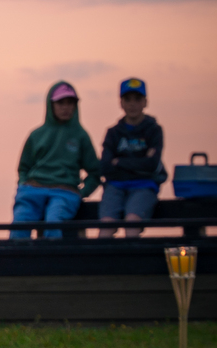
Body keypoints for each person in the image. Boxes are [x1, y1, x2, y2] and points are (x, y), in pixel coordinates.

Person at [10, 82, 99, 239]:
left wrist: (82, 192)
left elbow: (96, 172)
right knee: (21, 222)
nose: (66, 107)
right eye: (60, 103)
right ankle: (15, 262)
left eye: (70, 103)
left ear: (76, 105)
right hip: (33, 189)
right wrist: (23, 185)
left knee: (54, 222)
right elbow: (24, 167)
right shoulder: (36, 135)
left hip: (64, 192)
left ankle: (51, 262)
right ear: (51, 105)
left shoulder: (80, 135)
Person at [98, 78, 165, 238]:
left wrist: (119, 162)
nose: (132, 104)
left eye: (137, 99)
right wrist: (137, 164)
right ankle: (102, 263)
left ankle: (133, 262)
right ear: (121, 103)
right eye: (128, 99)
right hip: (114, 187)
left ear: (145, 102)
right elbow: (105, 166)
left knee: (132, 222)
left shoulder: (154, 130)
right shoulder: (113, 133)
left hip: (144, 186)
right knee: (106, 225)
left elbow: (151, 164)